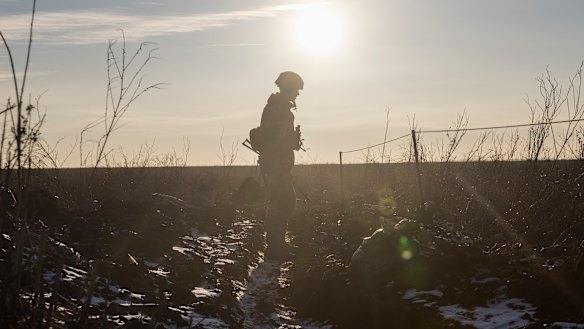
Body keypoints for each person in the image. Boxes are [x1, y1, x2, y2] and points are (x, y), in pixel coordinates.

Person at [259, 71, 304, 260]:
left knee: (283, 202)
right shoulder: (277, 109)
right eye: (296, 90)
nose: (298, 94)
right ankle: (275, 248)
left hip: (278, 164)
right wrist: (291, 141)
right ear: (288, 88)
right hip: (276, 165)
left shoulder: (278, 107)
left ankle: (277, 245)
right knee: (283, 202)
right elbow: (275, 139)